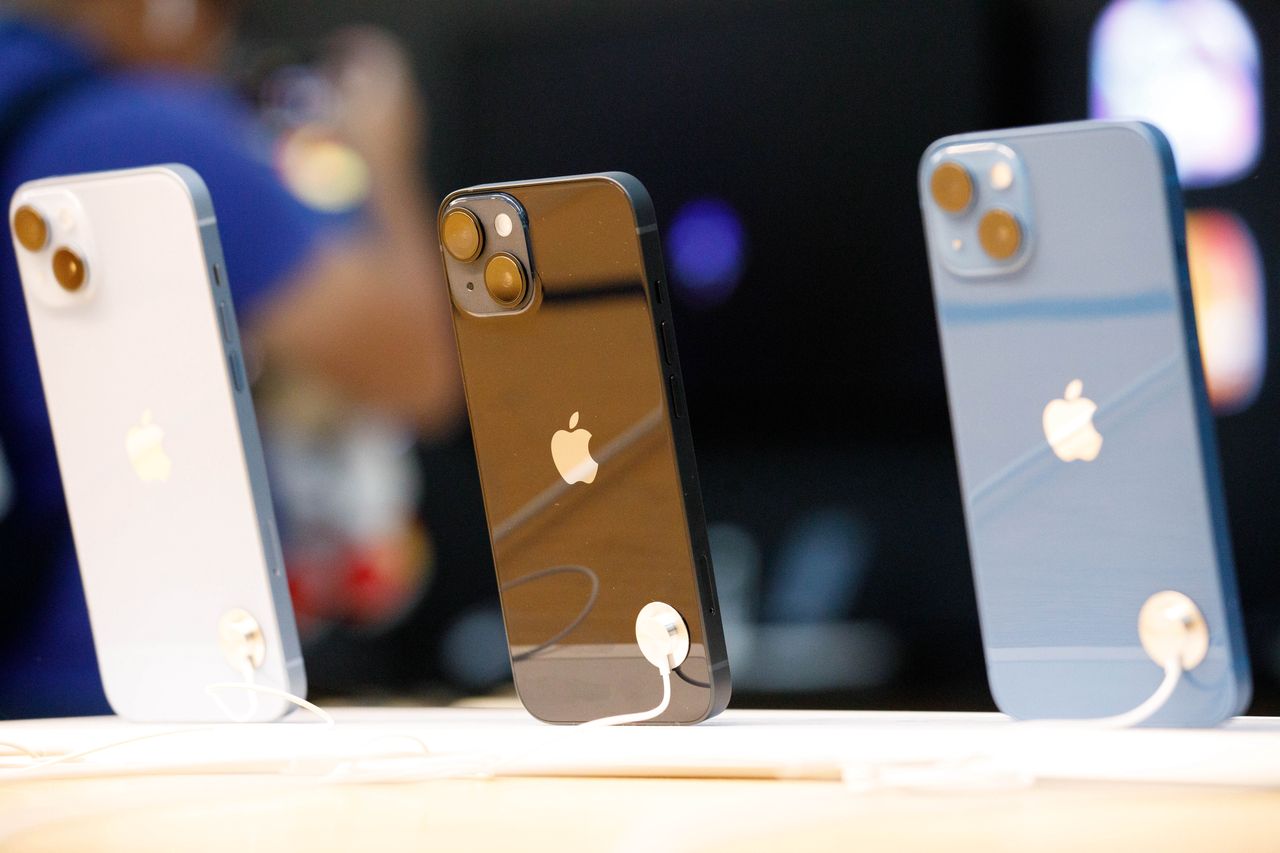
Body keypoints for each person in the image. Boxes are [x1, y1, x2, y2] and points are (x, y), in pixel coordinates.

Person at [0, 0, 463, 716]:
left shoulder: (27, 102)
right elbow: (416, 373)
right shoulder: (136, 132)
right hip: (142, 691)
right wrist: (386, 151)